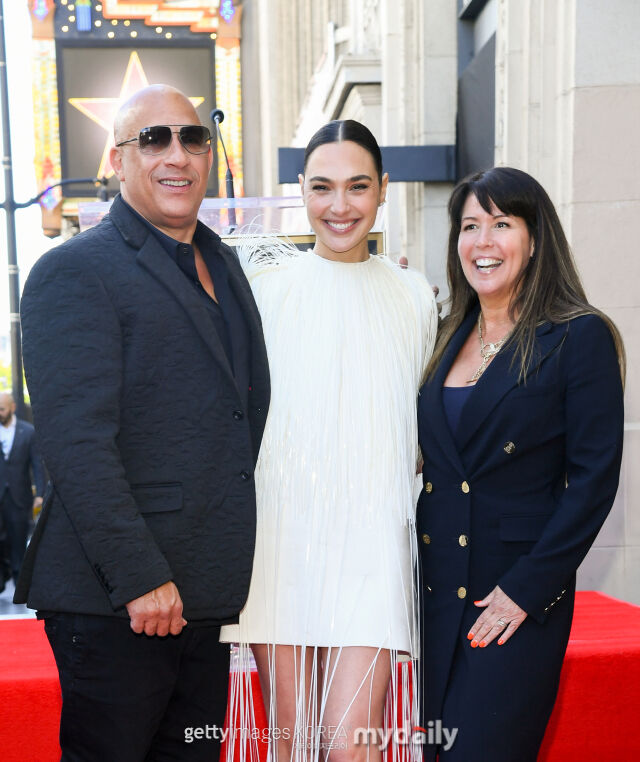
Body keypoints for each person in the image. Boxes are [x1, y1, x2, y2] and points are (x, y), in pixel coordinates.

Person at [16, 84, 270, 762]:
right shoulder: (74, 271)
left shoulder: (223, 262)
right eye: (153, 139)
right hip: (117, 602)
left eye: (192, 138)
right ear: (118, 160)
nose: (177, 155)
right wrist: (137, 577)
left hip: (203, 595)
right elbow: (76, 443)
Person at [221, 120, 438, 762]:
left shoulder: (414, 295)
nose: (339, 206)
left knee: (351, 738)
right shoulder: (262, 291)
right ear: (301, 190)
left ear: (383, 189)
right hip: (281, 536)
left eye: (357, 187)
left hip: (374, 540)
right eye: (322, 187)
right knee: (291, 735)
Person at [416, 166, 625, 761]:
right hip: (434, 598)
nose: (482, 242)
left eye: (501, 224)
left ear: (535, 239)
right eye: (469, 226)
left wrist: (526, 591)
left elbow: (593, 481)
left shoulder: (578, 336)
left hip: (512, 602)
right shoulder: (443, 333)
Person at [0, 392, 44, 591]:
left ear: (13, 408)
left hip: (19, 496)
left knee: (18, 539)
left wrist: (40, 494)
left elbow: (37, 465)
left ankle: (19, 583)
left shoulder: (28, 432)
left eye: (2, 409)